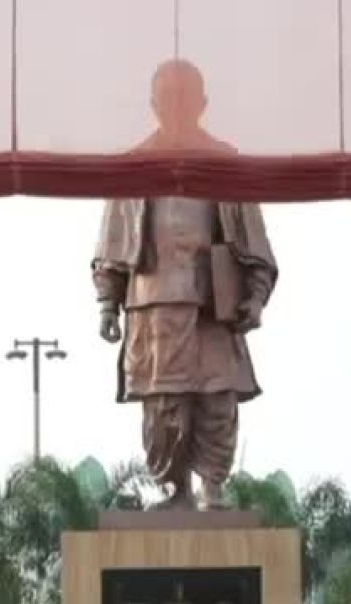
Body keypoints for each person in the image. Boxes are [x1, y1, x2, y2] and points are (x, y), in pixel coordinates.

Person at [92, 59, 277, 510]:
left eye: (185, 97)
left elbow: (252, 237)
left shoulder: (225, 163)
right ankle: (174, 490)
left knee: (217, 402)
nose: (176, 107)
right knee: (164, 408)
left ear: (202, 104)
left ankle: (213, 486)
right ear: (154, 105)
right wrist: (107, 304)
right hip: (153, 306)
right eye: (168, 97)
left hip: (215, 303)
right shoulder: (132, 167)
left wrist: (254, 295)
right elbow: (113, 241)